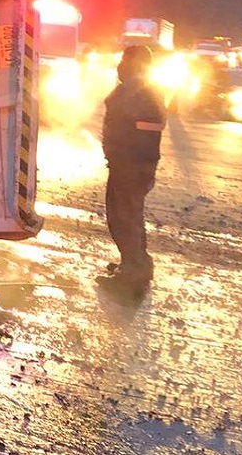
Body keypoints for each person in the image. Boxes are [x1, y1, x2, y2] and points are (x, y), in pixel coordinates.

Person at [98, 45, 166, 297]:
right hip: (128, 163)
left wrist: (125, 153)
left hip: (131, 165)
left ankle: (132, 272)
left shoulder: (142, 91)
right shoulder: (139, 88)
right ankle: (135, 264)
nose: (120, 65)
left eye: (125, 60)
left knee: (123, 217)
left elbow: (149, 126)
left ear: (137, 63)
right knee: (129, 216)